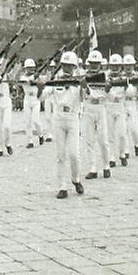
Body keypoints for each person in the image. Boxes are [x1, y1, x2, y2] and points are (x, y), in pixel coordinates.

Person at [47, 51, 84, 199]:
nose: (67, 68)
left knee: (74, 154)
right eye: (64, 65)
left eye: (70, 66)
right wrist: (41, 87)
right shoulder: (56, 80)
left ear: (74, 67)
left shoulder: (78, 81)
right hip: (59, 118)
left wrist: (84, 86)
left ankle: (76, 179)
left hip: (73, 118)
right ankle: (62, 186)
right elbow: (44, 94)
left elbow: (83, 98)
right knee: (60, 155)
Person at [82, 50, 111, 179]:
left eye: (96, 63)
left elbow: (108, 95)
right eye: (92, 63)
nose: (94, 65)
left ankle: (106, 165)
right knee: (89, 140)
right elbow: (82, 95)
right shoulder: (84, 76)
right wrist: (85, 88)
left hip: (100, 107)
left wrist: (107, 89)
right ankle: (92, 167)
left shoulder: (105, 76)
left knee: (103, 139)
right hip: (88, 107)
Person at [19, 59, 44, 149]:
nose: (31, 69)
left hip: (35, 99)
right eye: (29, 68)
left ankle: (40, 135)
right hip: (27, 99)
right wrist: (34, 77)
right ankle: (29, 140)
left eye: (32, 68)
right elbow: (27, 81)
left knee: (36, 121)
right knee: (28, 122)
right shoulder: (23, 77)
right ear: (26, 69)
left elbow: (42, 84)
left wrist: (38, 80)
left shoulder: (38, 77)